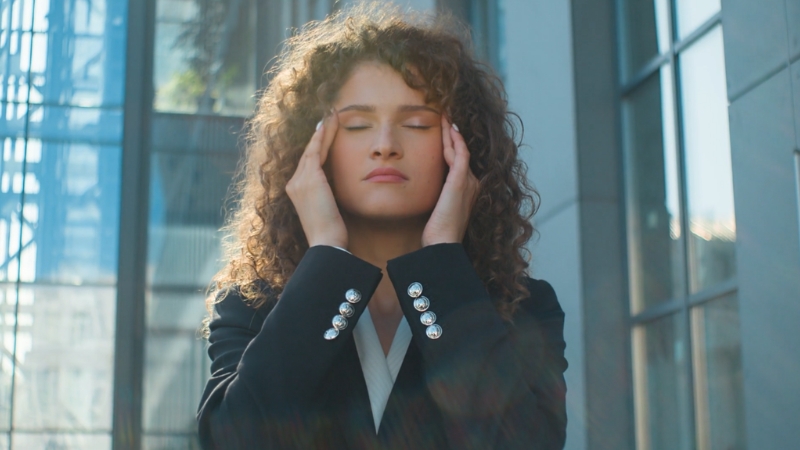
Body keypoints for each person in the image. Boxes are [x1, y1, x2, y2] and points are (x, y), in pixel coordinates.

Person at [197, 3, 567, 449]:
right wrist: (327, 259)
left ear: (463, 145)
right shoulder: (250, 307)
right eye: (357, 125)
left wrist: (442, 262)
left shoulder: (527, 310)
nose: (385, 146)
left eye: (416, 123)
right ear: (312, 151)